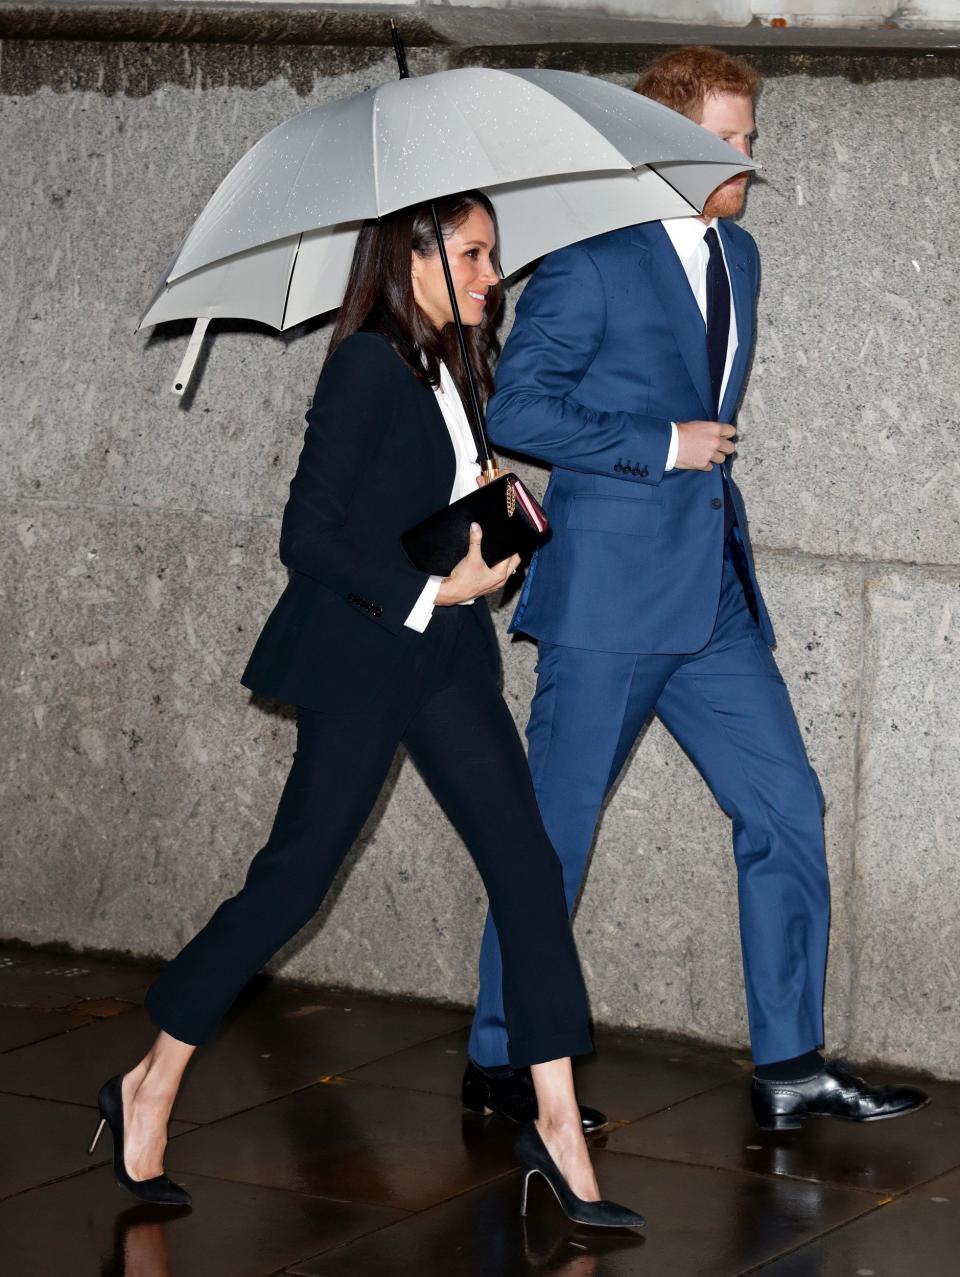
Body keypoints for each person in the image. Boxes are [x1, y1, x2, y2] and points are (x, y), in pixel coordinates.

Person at [89, 190, 643, 1228]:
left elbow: (417, 518)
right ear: (417, 251)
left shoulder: (452, 368)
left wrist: (488, 521)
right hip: (365, 660)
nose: (493, 275)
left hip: (447, 665)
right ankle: (150, 1079)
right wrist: (440, 588)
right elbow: (308, 536)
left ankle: (559, 1126)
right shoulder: (363, 366)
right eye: (475, 253)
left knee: (526, 863)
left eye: (495, 255)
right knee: (292, 880)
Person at [464, 48, 929, 1132]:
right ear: (658, 138)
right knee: (553, 841)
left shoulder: (742, 258)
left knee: (785, 807)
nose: (746, 159)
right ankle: (499, 1059)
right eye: (727, 138)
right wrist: (657, 443)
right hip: (609, 605)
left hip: (712, 598)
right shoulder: (591, 262)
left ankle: (791, 1063)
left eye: (752, 138)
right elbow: (518, 410)